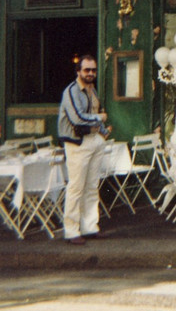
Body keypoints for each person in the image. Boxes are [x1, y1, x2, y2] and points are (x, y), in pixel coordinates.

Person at [57, 54, 110, 245]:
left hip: (94, 139)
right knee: (76, 187)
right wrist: (100, 119)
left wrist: (103, 132)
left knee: (92, 186)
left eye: (93, 70)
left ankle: (90, 227)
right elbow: (77, 118)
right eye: (86, 70)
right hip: (78, 142)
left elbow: (95, 112)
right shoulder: (71, 91)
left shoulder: (91, 90)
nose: (90, 73)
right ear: (78, 71)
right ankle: (71, 231)